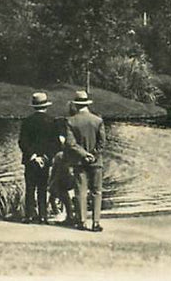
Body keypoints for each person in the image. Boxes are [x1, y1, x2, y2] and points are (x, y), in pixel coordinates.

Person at [65, 89, 107, 232]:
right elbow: (102, 143)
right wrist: (93, 155)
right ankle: (96, 222)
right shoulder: (98, 120)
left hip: (79, 161)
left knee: (81, 191)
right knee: (96, 191)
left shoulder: (71, 121)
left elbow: (71, 144)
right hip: (96, 162)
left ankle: (82, 221)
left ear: (76, 105)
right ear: (87, 103)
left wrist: (84, 154)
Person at [18, 91, 58, 224]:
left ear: (34, 106)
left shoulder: (27, 121)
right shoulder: (52, 121)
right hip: (45, 161)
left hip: (31, 160)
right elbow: (55, 143)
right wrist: (46, 157)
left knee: (30, 188)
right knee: (42, 188)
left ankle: (29, 215)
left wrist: (33, 156)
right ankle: (43, 216)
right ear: (46, 106)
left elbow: (22, 142)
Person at [47, 102, 78, 225]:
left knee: (58, 187)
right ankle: (74, 214)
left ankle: (69, 214)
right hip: (79, 160)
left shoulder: (67, 124)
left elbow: (67, 145)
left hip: (67, 161)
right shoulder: (76, 123)